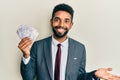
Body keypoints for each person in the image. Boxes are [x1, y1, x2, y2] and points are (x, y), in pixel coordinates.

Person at [18, 3, 120, 80]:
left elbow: (80, 77)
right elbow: (28, 78)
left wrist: (94, 75)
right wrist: (26, 56)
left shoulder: (80, 48)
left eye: (66, 21)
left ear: (71, 25)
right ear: (51, 22)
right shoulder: (38, 46)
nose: (61, 24)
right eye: (57, 19)